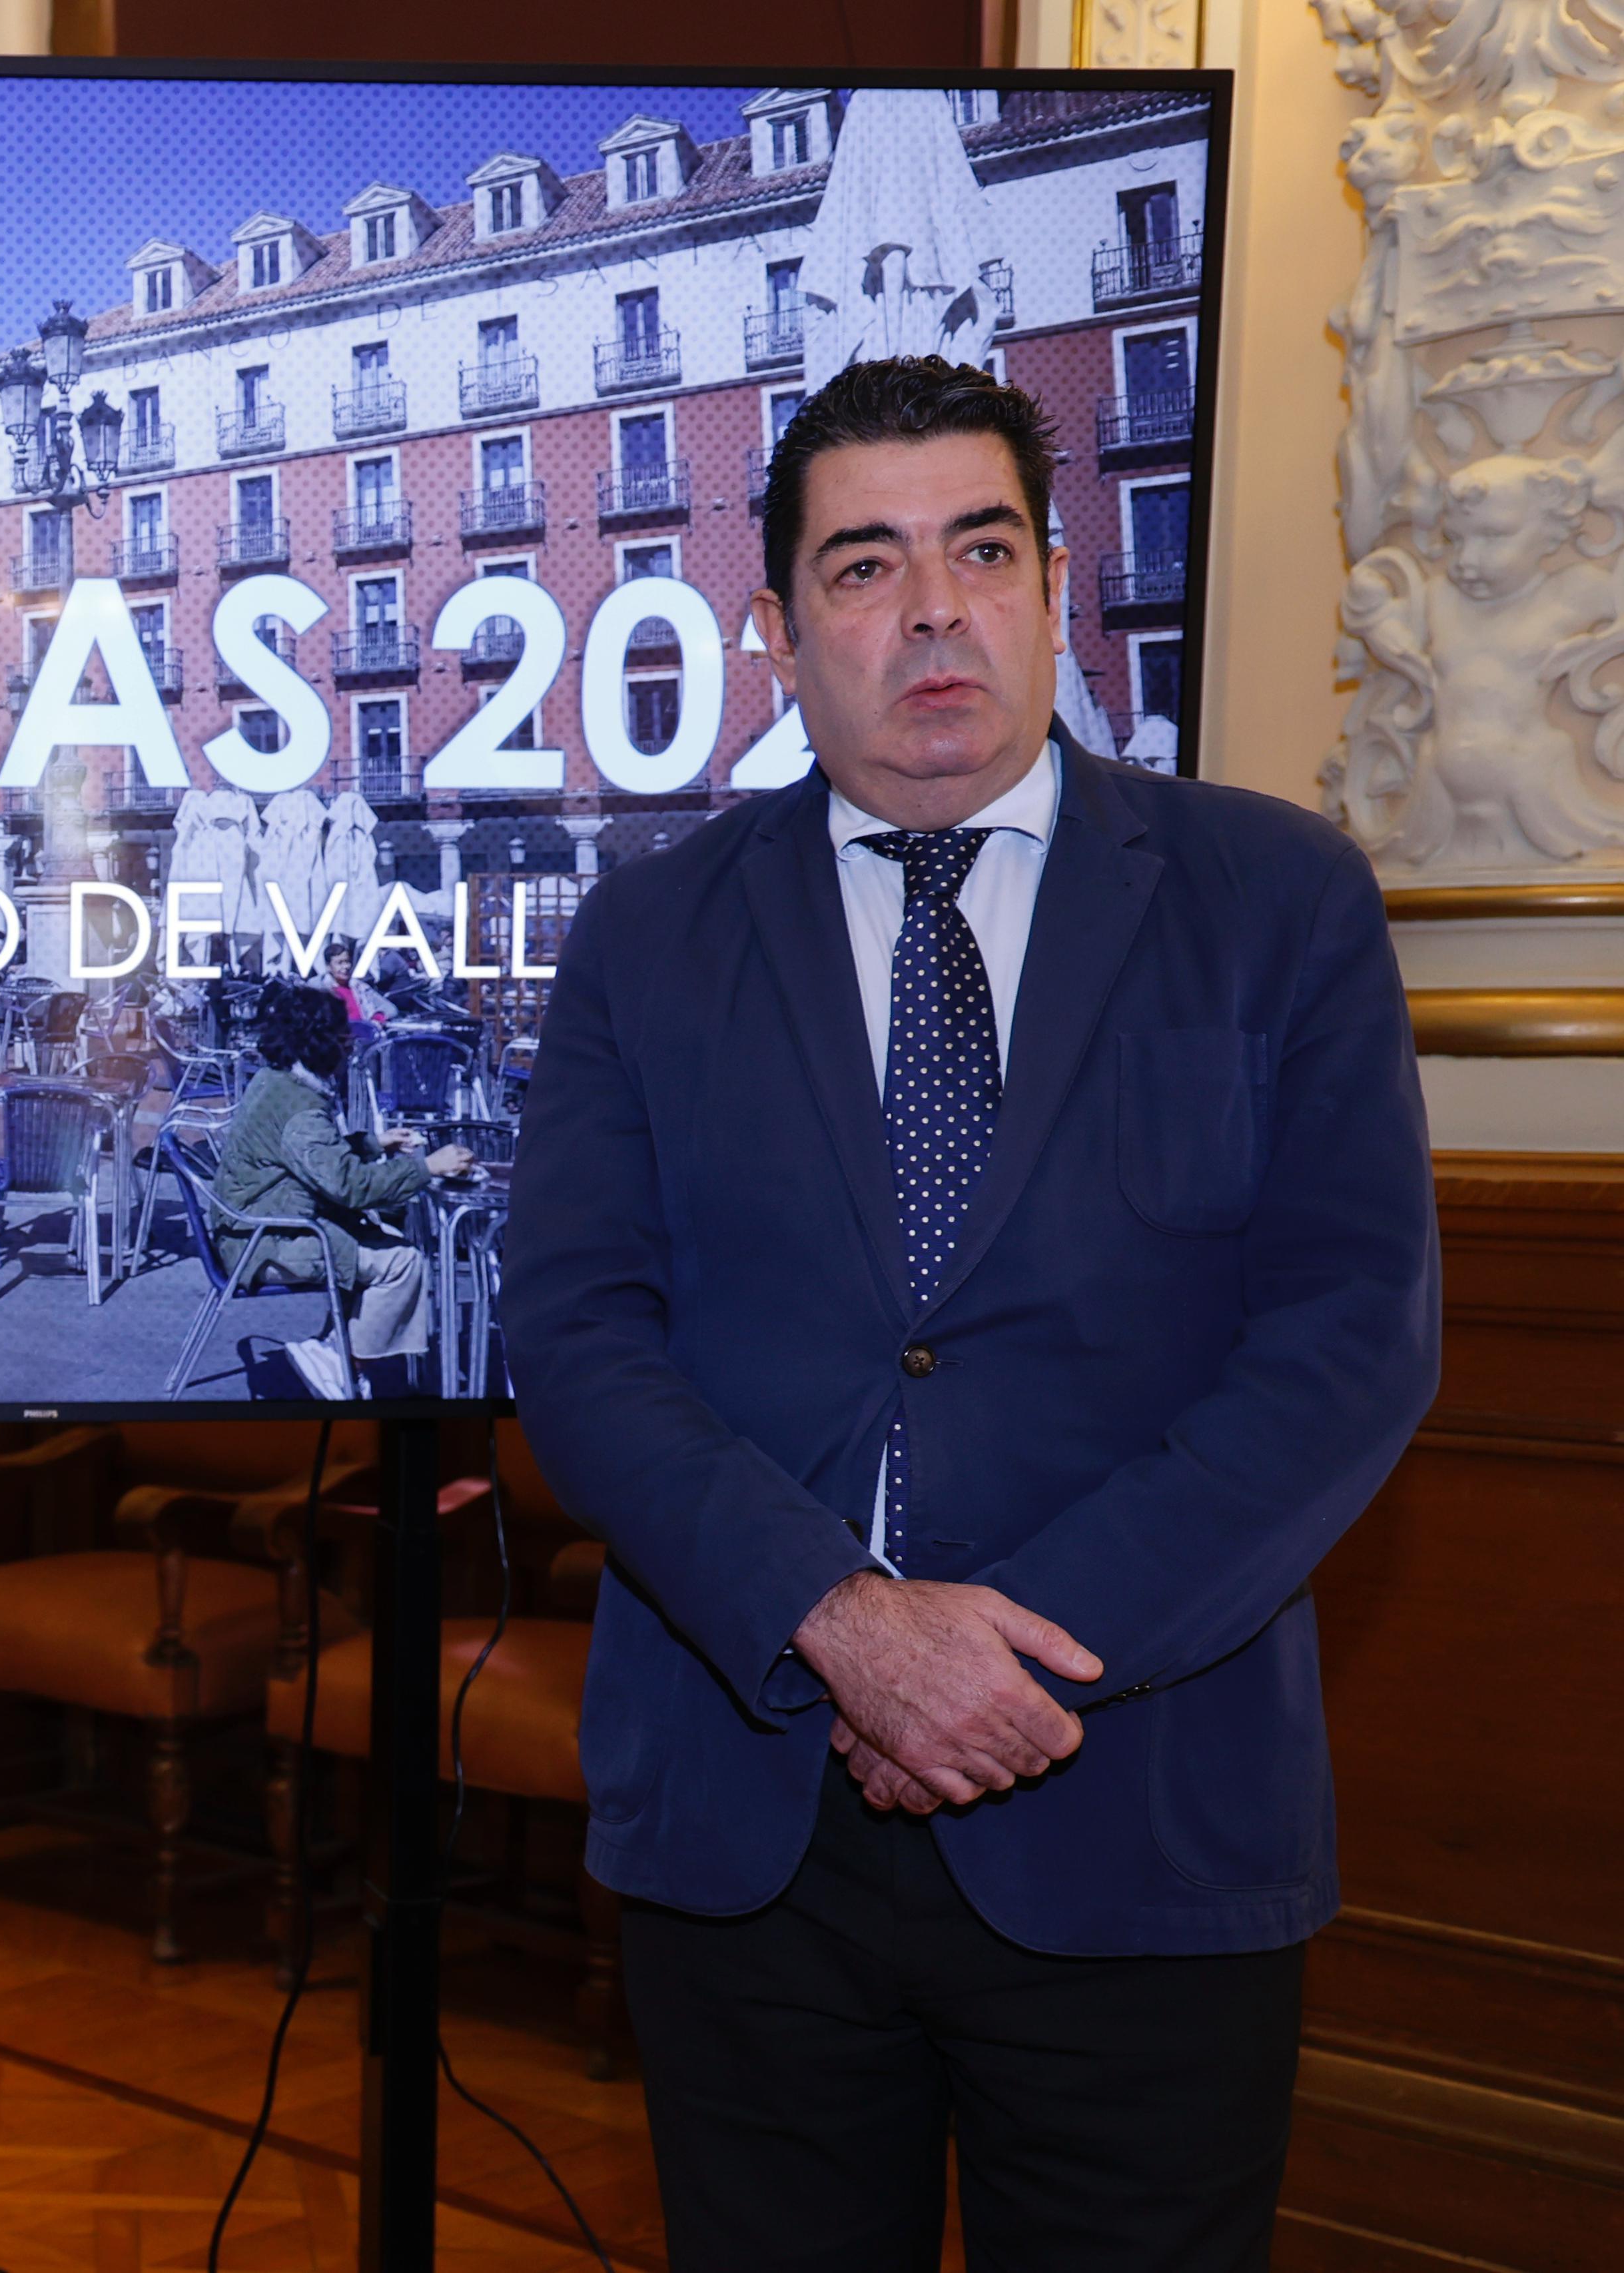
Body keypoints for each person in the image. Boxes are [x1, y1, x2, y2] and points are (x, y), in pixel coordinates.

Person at [499, 358, 1439, 2270]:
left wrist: (1006, 1666)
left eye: (982, 549)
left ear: (1057, 585)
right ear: (777, 634)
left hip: (1141, 1820)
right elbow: (580, 1338)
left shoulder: (1275, 899)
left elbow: (1351, 1338)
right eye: (864, 565)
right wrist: (844, 1624)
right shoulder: (647, 932)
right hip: (750, 1827)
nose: (933, 609)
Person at [213, 985, 473, 1400]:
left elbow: (311, 1159)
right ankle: (343, 1364)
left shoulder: (275, 1080)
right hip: (266, 1242)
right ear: (319, 1042)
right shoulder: (302, 1110)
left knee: (379, 1241)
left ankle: (335, 1349)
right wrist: (428, 1167)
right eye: (343, 1035)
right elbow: (351, 1187)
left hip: (253, 1226)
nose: (350, 1044)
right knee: (403, 1262)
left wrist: (373, 1143)